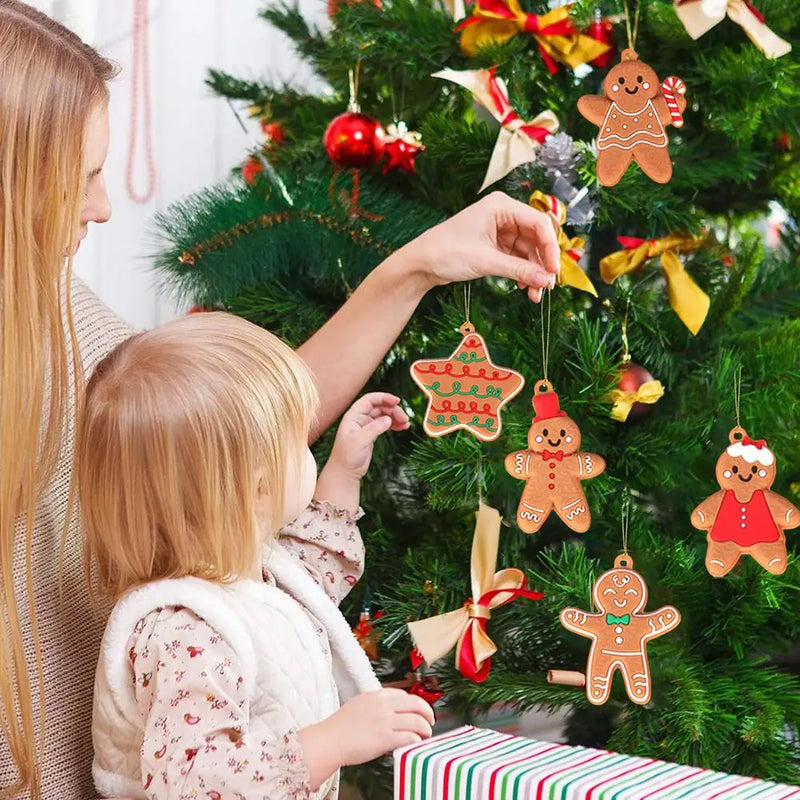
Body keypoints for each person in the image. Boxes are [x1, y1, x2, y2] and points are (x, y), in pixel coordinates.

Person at [0, 2, 560, 798]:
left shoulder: (59, 307)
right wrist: (331, 740)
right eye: (83, 176)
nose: (102, 207)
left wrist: (416, 268)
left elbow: (223, 430)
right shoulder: (179, 629)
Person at [79, 312, 433, 800]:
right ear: (259, 487)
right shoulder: (185, 630)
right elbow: (194, 781)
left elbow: (311, 572)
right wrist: (333, 740)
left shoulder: (246, 571)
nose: (310, 449)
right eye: (300, 442)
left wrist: (344, 470)